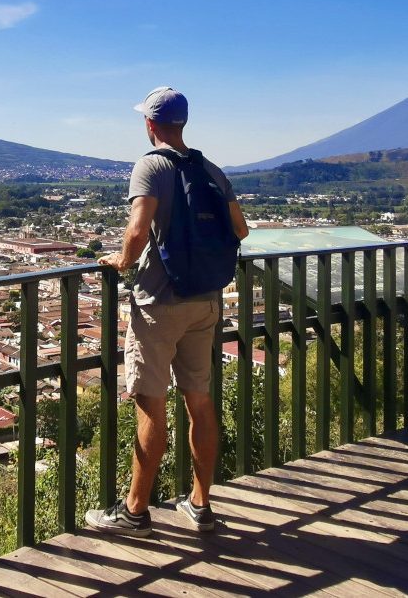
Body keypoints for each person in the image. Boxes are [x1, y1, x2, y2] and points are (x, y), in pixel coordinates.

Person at [86, 86, 249, 537]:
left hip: (159, 303)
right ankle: (200, 504)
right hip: (206, 301)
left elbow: (138, 229)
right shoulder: (211, 169)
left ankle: (135, 512)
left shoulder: (150, 166)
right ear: (184, 123)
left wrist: (121, 261)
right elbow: (241, 229)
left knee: (150, 407)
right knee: (199, 402)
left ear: (150, 124)